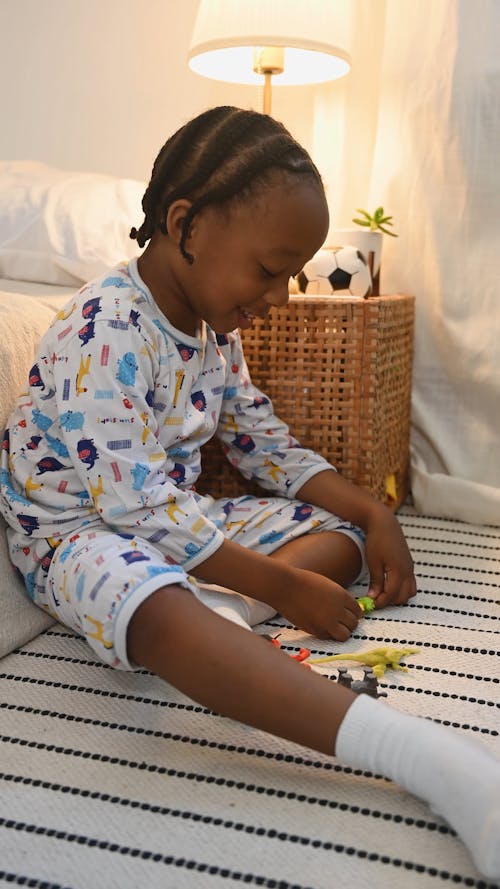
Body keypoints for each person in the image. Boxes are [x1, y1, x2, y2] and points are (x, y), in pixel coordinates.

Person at [0, 106, 498, 878]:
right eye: (270, 271)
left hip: (176, 516)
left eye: (293, 275)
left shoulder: (213, 336)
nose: (282, 298)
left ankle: (222, 621)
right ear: (185, 225)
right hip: (80, 531)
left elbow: (265, 446)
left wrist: (371, 509)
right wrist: (280, 583)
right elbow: (134, 508)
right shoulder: (103, 327)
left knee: (338, 536)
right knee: (157, 602)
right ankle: (433, 761)